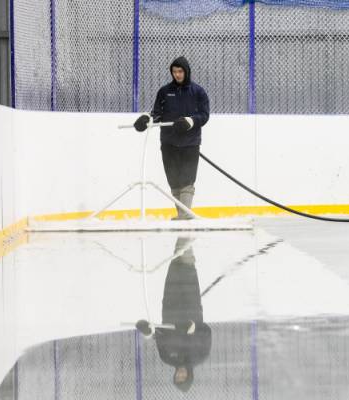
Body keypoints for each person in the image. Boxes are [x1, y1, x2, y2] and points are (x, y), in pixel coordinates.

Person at [134, 56, 210, 220]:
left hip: (190, 143)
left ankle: (185, 214)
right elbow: (157, 114)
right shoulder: (164, 91)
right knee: (174, 181)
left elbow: (204, 115)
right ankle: (182, 214)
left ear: (186, 71)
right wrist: (147, 119)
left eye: (180, 71)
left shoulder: (198, 92)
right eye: (174, 71)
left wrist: (191, 121)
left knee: (188, 180)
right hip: (169, 143)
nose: (177, 75)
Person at [136, 237, 212, 393]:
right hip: (191, 303)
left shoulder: (167, 357)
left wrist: (147, 331)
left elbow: (159, 335)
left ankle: (183, 226)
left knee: (176, 262)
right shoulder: (200, 356)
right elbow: (207, 332)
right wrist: (193, 329)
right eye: (183, 377)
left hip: (170, 304)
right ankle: (185, 224)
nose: (180, 374)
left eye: (177, 377)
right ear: (190, 376)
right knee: (186, 263)